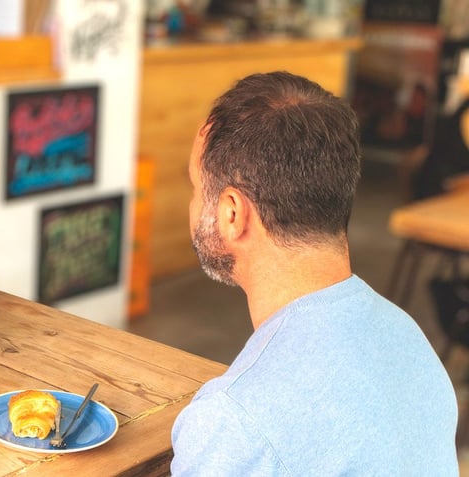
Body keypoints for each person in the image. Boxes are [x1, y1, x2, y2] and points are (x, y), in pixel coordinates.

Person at [170, 71, 458, 475]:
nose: (192, 204)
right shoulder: (411, 342)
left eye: (196, 188)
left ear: (232, 214)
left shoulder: (234, 422)